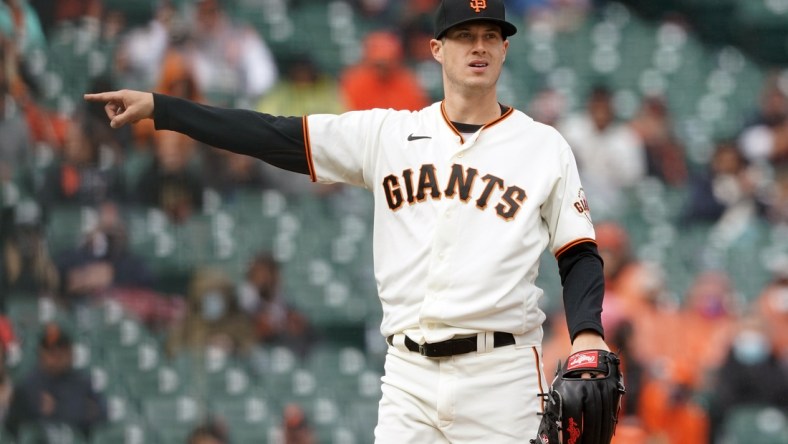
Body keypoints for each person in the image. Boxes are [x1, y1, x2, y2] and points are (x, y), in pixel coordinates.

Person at [84, 0, 612, 441]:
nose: (478, 46)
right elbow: (275, 135)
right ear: (436, 49)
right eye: (464, 35)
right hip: (410, 375)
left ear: (505, 48)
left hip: (501, 373)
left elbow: (579, 253)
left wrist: (587, 332)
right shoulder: (386, 135)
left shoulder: (543, 147)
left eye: (489, 35)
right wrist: (163, 108)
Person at [4, 322, 107, 439]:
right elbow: (16, 423)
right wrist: (82, 408)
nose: (57, 355)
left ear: (71, 353)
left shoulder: (82, 381)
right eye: (51, 351)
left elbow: (102, 413)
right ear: (41, 353)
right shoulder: (28, 384)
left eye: (62, 349)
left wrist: (57, 408)